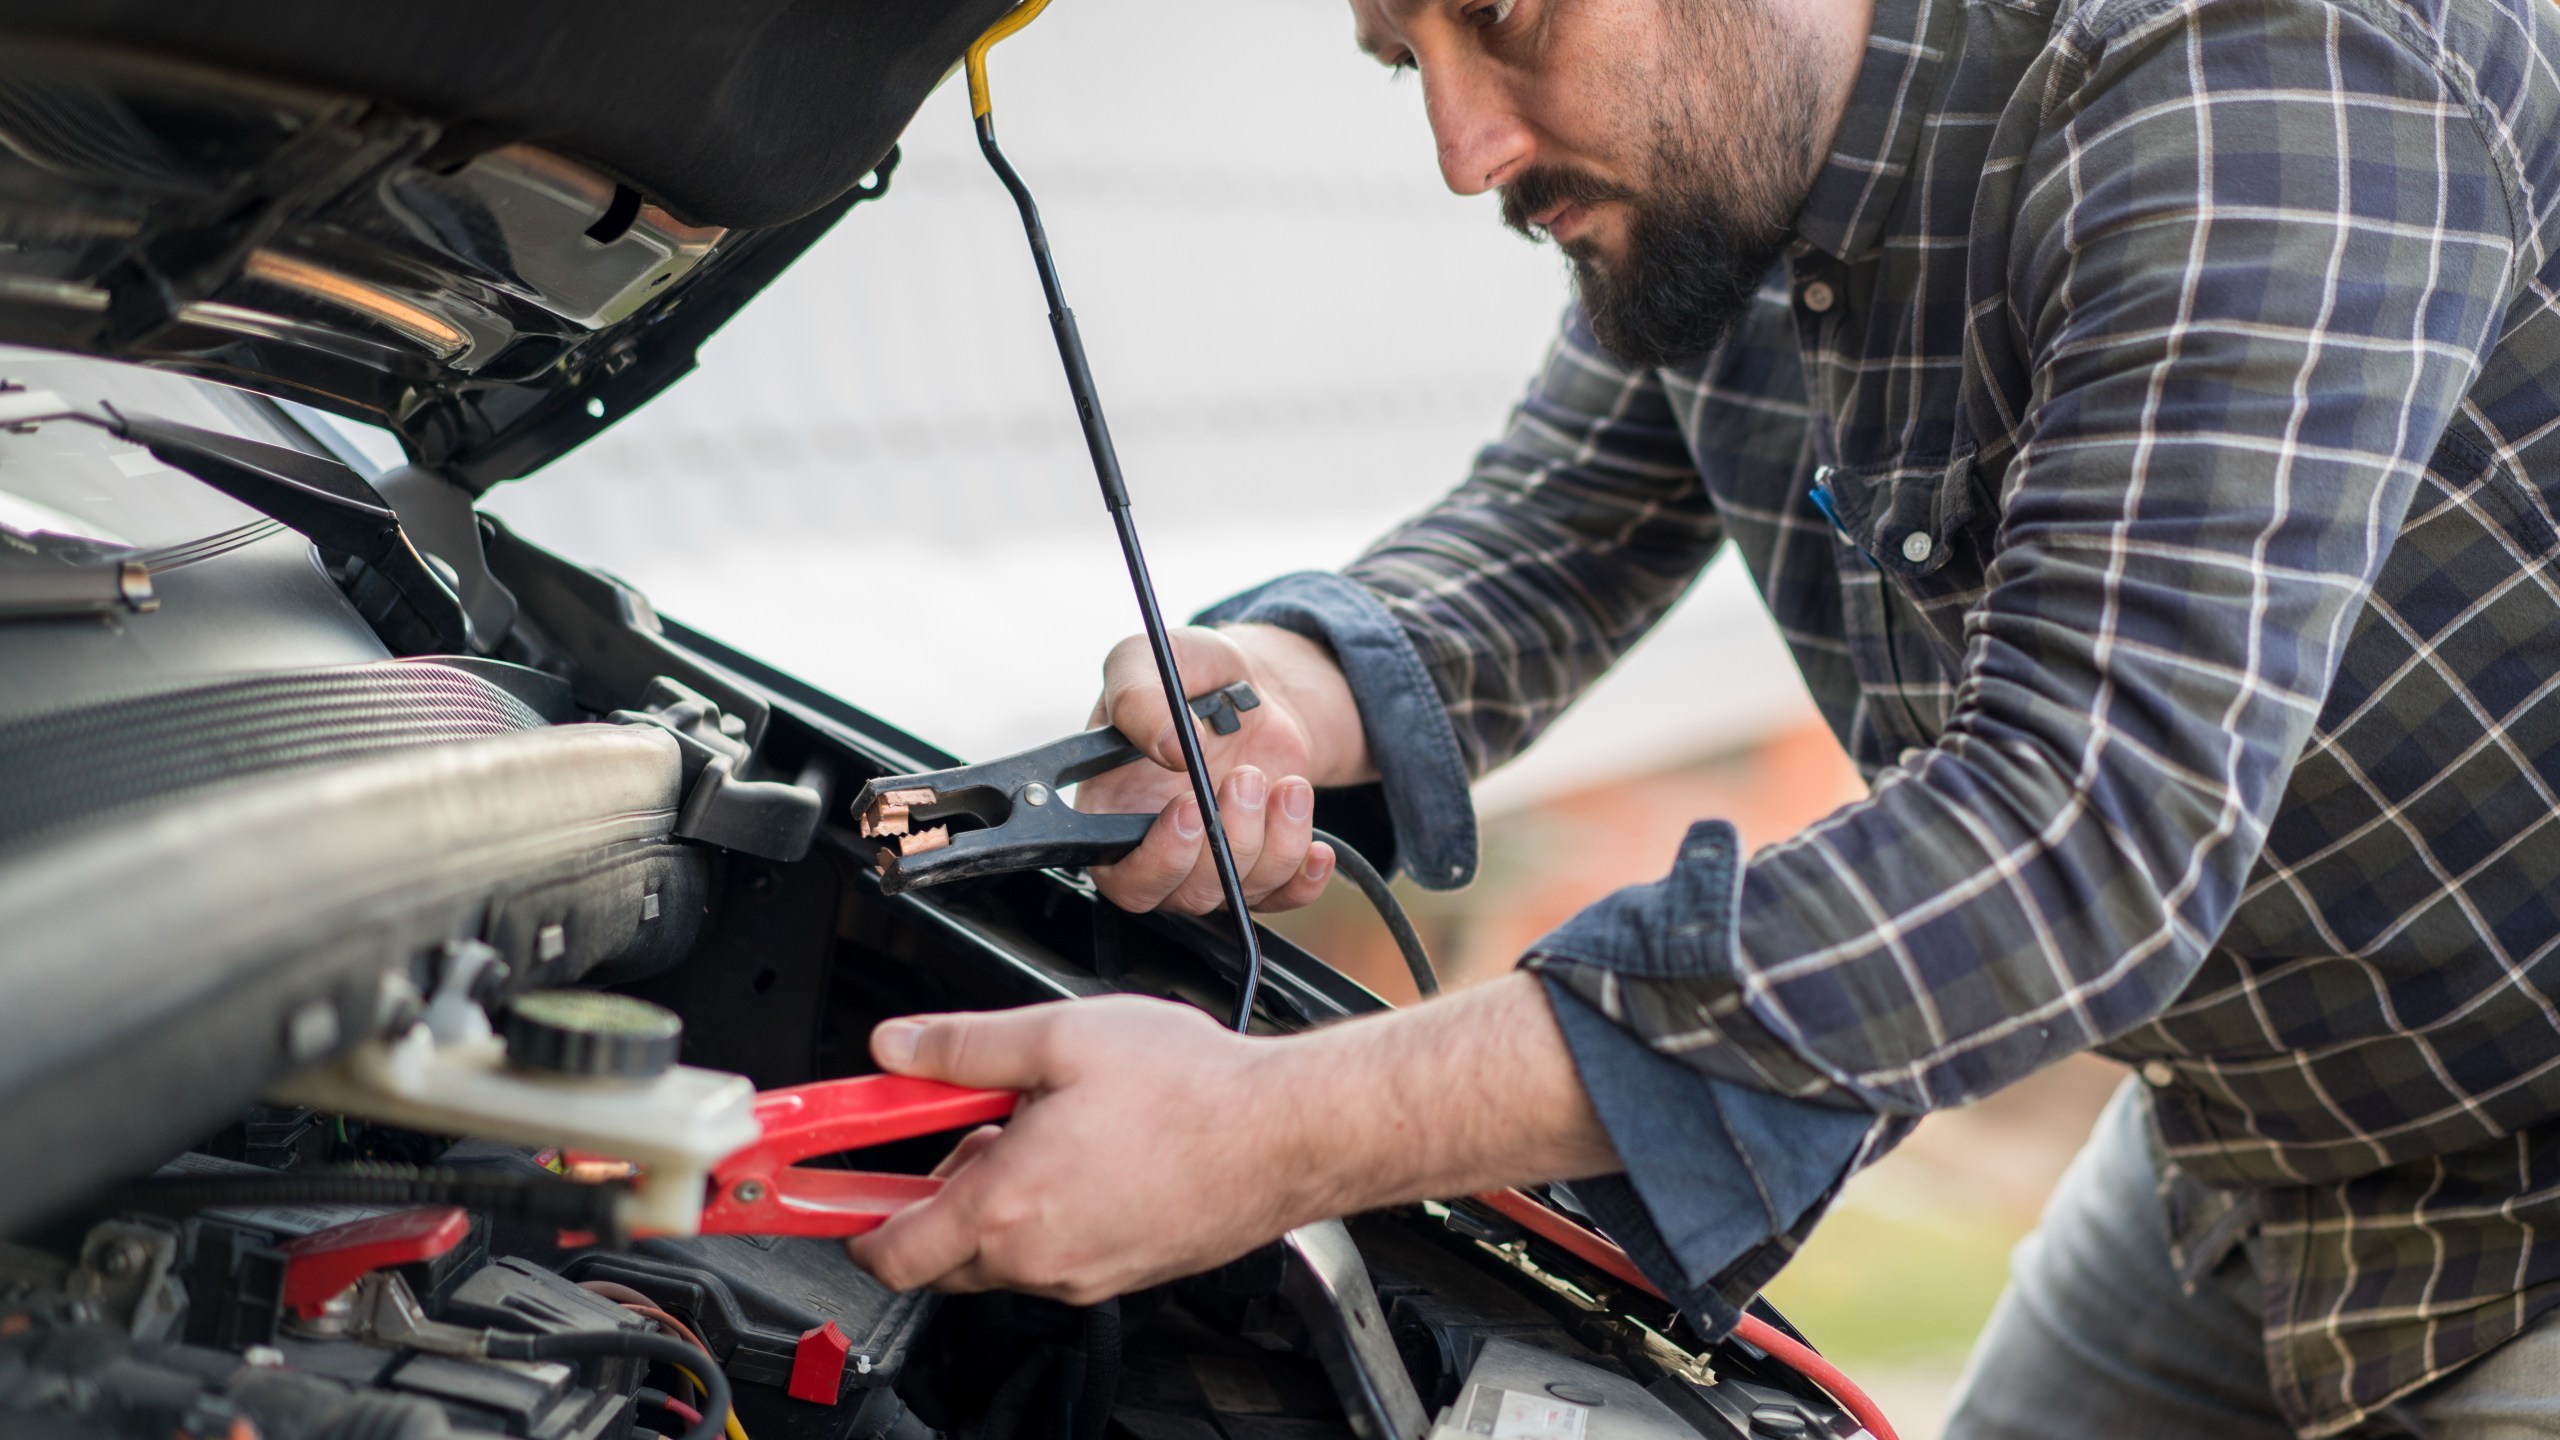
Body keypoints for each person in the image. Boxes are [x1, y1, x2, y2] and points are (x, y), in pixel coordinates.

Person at [848, 0, 2560, 1431]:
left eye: (1506, 16)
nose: (1462, 147)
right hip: (2246, 1144)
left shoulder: (2276, 73)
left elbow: (2078, 843)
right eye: (1401, 58)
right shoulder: (1739, 163)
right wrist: (1282, 693)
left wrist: (1271, 1132)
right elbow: (1554, 527)